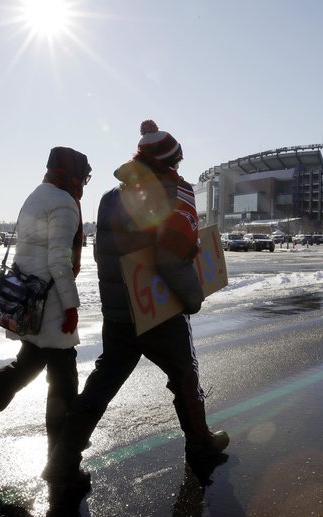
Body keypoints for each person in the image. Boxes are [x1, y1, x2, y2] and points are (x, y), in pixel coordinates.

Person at [41, 120, 229, 493]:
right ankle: (200, 445)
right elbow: (173, 255)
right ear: (171, 160)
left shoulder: (112, 195)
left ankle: (62, 459)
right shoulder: (174, 191)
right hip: (159, 310)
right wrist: (192, 298)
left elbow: (102, 252)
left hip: (119, 312)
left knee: (103, 383)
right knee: (185, 378)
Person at [0, 146, 92, 454]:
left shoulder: (37, 195)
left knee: (30, 361)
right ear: (73, 175)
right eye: (84, 176)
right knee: (63, 377)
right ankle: (61, 449)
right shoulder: (64, 204)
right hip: (50, 300)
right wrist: (70, 306)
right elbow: (60, 259)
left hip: (29, 298)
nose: (85, 183)